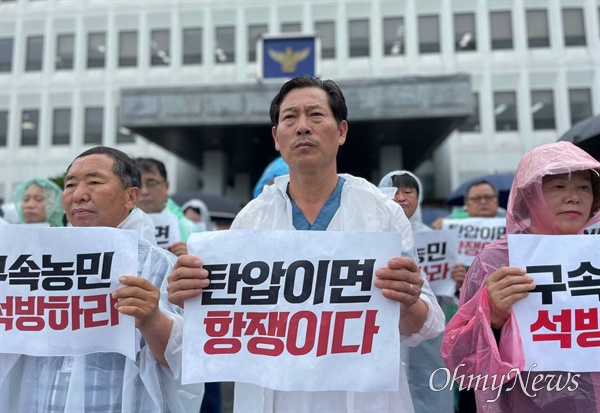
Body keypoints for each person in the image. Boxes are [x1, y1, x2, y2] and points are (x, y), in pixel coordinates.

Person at [167, 75, 445, 413]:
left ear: (341, 131)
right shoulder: (251, 219)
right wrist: (192, 298)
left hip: (364, 400)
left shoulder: (382, 214)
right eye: (289, 118)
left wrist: (406, 301)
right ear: (276, 137)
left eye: (315, 115)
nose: (302, 127)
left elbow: (425, 326)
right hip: (271, 398)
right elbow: (218, 329)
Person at [0, 146, 203, 412]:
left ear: (130, 197)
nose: (79, 195)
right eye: (71, 184)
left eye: (94, 182)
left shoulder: (161, 266)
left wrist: (152, 320)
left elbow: (189, 360)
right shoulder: (32, 263)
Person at [441, 141, 600, 413]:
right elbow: (460, 361)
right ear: (530, 197)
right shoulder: (496, 260)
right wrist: (491, 317)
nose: (574, 197)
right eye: (558, 186)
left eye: (584, 187)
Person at [378, 170, 454, 413]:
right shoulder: (372, 236)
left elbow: (448, 295)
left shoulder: (437, 237)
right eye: (393, 192)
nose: (400, 198)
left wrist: (455, 278)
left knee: (429, 384)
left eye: (408, 192)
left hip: (426, 330)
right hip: (387, 328)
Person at [135, 157, 199, 256]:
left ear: (166, 186)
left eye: (151, 183)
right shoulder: (119, 225)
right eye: (138, 184)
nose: (144, 192)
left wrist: (192, 256)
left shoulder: (189, 229)